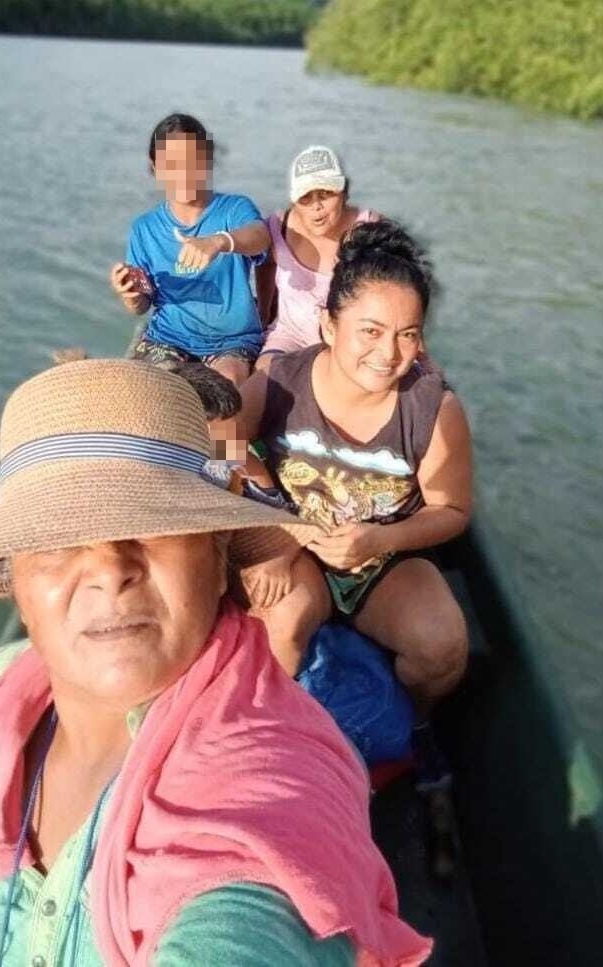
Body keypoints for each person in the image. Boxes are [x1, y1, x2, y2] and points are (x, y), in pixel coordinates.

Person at [0, 359, 431, 966]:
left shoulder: (274, 785)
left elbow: (245, 921)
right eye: (57, 539)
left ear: (219, 559)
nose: (110, 570)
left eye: (155, 525)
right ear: (19, 588)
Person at [236, 219, 472, 708]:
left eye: (407, 334)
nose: (388, 354)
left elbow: (451, 511)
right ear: (328, 323)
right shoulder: (280, 380)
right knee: (279, 625)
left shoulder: (434, 410)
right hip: (296, 549)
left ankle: (417, 724)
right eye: (370, 331)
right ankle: (268, 733)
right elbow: (219, 445)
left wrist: (381, 538)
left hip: (383, 562)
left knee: (443, 648)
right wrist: (273, 535)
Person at [110, 113, 270, 386]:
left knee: (224, 388)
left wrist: (219, 241)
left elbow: (261, 236)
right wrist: (130, 295)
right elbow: (142, 304)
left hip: (231, 342)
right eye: (171, 164)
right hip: (168, 339)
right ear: (155, 167)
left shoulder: (234, 209)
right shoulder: (144, 228)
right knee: (151, 392)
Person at [255, 145, 382, 370]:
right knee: (264, 376)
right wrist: (263, 313)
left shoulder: (370, 228)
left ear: (344, 193)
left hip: (347, 345)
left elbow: (401, 285)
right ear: (295, 201)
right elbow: (264, 266)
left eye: (326, 194)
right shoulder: (278, 227)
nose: (317, 206)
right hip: (288, 337)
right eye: (306, 198)